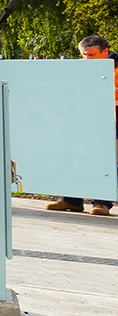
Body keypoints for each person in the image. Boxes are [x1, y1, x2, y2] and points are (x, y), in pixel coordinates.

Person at [45, 35, 116, 216]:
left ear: (105, 52)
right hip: (82, 120)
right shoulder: (78, 67)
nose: (86, 60)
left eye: (91, 55)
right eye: (83, 55)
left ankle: (102, 202)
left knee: (106, 161)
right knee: (74, 157)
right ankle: (70, 199)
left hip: (112, 122)